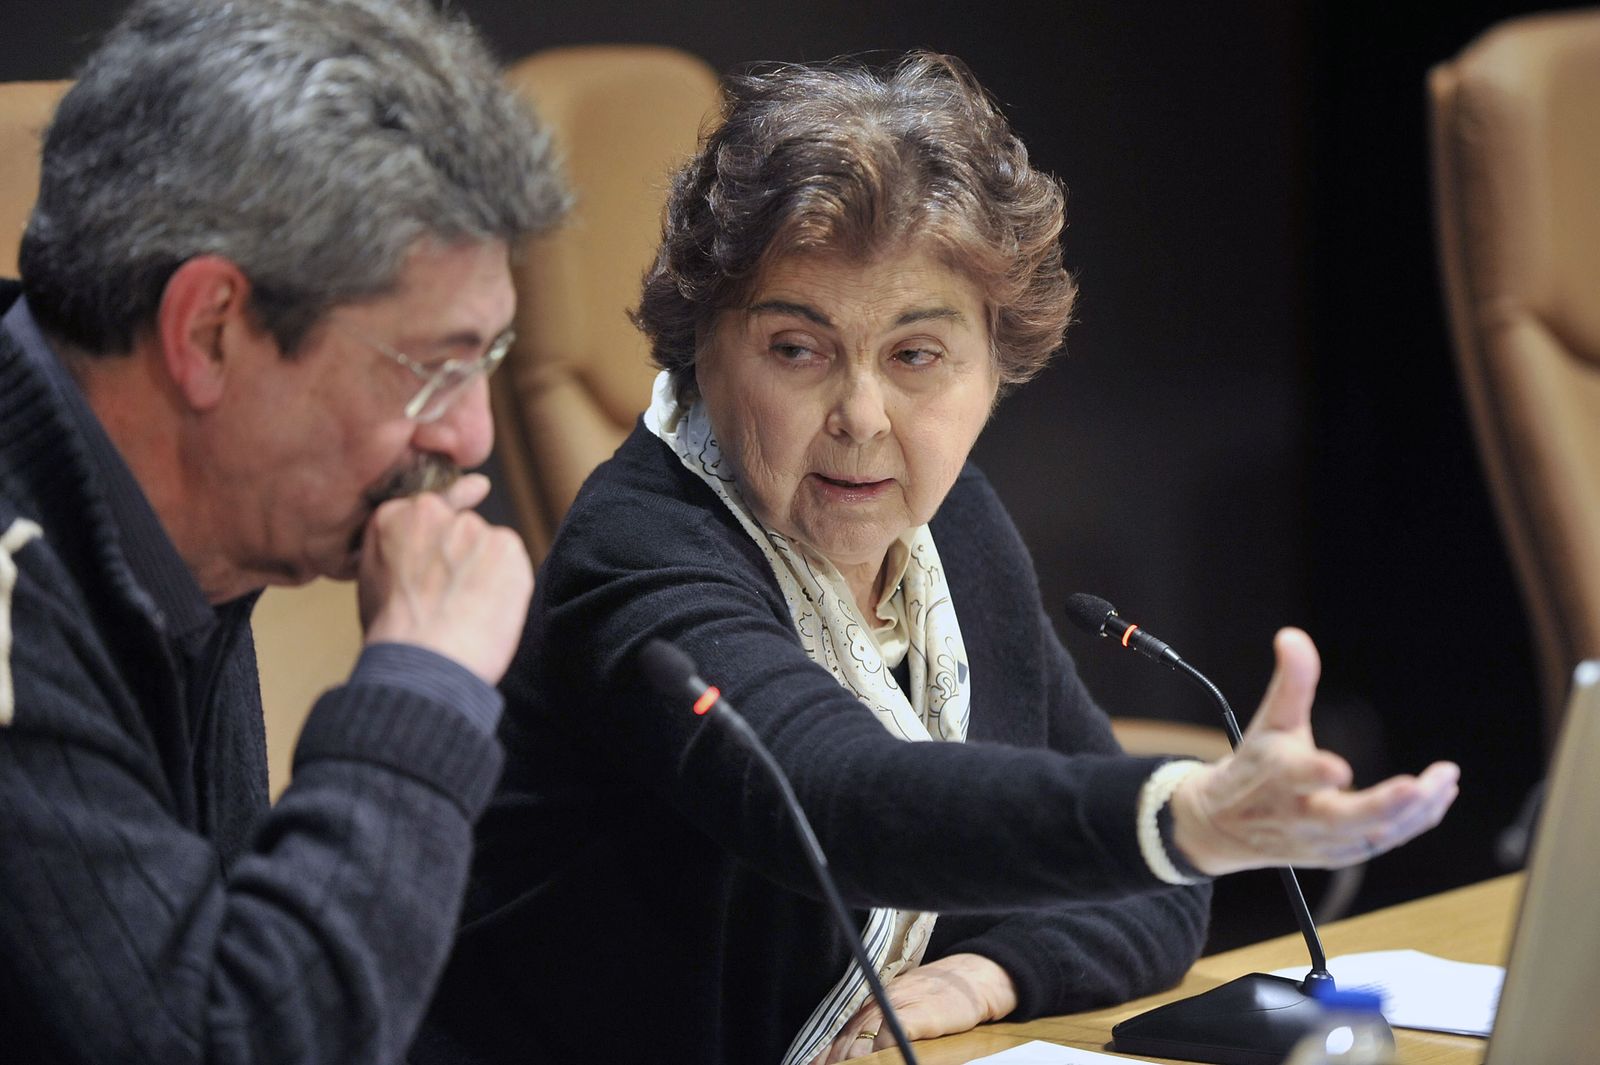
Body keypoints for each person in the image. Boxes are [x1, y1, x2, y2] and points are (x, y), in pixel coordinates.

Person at [418, 53, 1458, 1065]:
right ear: (703, 346)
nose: (861, 418)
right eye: (797, 349)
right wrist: (1185, 813)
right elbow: (835, 798)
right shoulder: (639, 553)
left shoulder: (951, 529)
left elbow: (1151, 890)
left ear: (997, 366)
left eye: (916, 355)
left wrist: (989, 976)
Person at [0, 1, 566, 1061]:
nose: (472, 435)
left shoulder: (198, 524)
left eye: (486, 362)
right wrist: (419, 684)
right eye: (434, 366)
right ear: (210, 331)